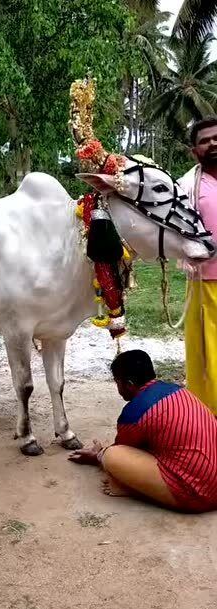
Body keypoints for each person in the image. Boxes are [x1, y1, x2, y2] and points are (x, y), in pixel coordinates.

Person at [69, 350, 217, 513]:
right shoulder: (178, 390)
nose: (117, 387)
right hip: (211, 477)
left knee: (111, 455)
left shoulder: (135, 412)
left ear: (129, 384)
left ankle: (135, 490)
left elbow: (124, 452)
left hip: (198, 494)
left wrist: (99, 455)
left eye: (117, 382)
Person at [179, 116, 217, 416]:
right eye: (205, 140)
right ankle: (207, 417)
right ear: (194, 151)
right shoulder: (187, 186)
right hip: (205, 283)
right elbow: (177, 228)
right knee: (205, 355)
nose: (213, 143)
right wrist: (183, 254)